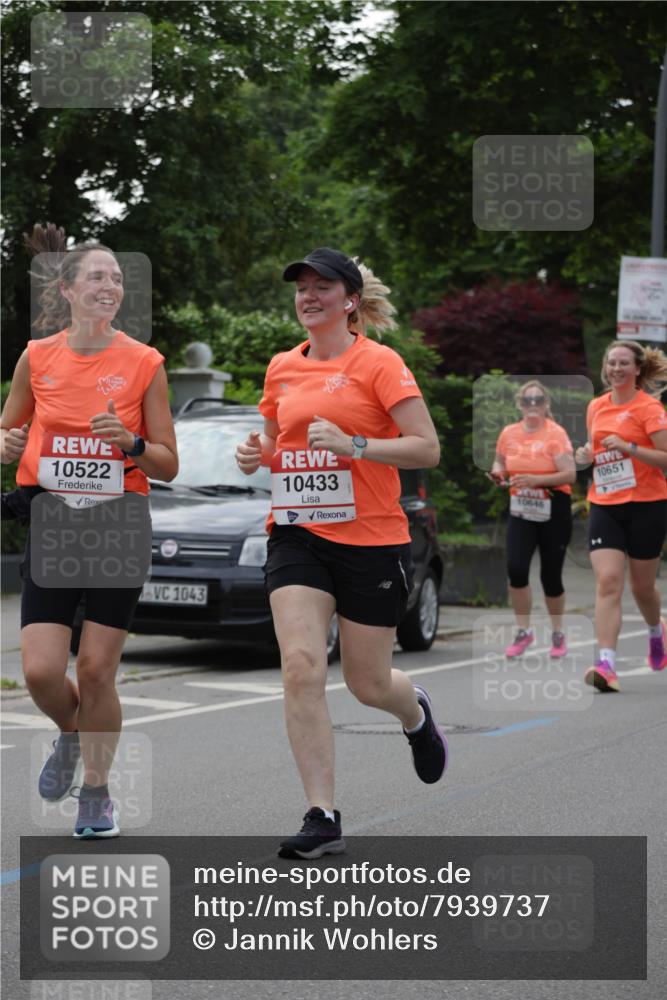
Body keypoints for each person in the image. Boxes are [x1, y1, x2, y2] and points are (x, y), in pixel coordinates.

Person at [235, 247, 447, 859]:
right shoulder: (282, 367)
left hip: (371, 538)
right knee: (301, 663)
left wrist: (357, 444)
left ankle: (415, 714)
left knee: (368, 682)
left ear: (350, 302)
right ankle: (322, 814)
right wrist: (259, 456)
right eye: (301, 287)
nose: (308, 296)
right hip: (298, 532)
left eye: (322, 287)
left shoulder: (380, 364)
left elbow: (426, 448)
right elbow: (280, 446)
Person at [0, 223, 178, 837]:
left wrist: (129, 443)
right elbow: (6, 432)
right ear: (68, 289)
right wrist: (7, 444)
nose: (110, 285)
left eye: (117, 278)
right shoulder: (37, 356)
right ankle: (71, 737)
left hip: (118, 525)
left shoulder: (143, 362)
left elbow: (167, 462)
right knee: (44, 672)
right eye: (97, 276)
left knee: (97, 670)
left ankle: (97, 794)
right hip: (54, 524)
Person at [575, 340, 667, 692]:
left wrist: (629, 447)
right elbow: (594, 450)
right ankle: (607, 664)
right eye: (611, 362)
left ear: (638, 370)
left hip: (647, 504)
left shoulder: (650, 408)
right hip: (604, 503)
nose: (616, 369)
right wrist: (586, 454)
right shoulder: (596, 406)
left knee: (642, 587)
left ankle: (656, 631)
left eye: (623, 363)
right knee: (608, 581)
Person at [490, 380, 576, 658]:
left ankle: (558, 633)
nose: (533, 405)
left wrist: (537, 480)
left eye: (539, 400)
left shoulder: (556, 434)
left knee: (550, 575)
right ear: (520, 405)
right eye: (528, 400)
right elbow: (500, 462)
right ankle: (523, 631)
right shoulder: (509, 433)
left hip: (554, 507)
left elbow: (569, 474)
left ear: (547, 405)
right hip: (521, 507)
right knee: (516, 569)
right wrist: (497, 473)